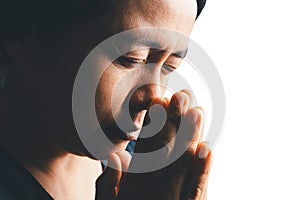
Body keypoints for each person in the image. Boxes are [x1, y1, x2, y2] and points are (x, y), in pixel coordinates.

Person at [0, 0, 212, 199]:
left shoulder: (147, 175)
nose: (154, 96)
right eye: (132, 59)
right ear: (25, 35)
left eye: (170, 66)